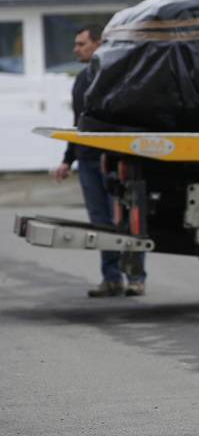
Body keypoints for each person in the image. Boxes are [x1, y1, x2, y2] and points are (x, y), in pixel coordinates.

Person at [52, 24, 147, 297]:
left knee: (126, 220)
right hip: (88, 162)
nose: (76, 49)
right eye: (76, 44)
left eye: (81, 44)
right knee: (100, 223)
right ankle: (112, 279)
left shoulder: (116, 77)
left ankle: (136, 277)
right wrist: (67, 160)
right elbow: (78, 125)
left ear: (98, 44)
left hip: (114, 161)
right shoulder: (81, 80)